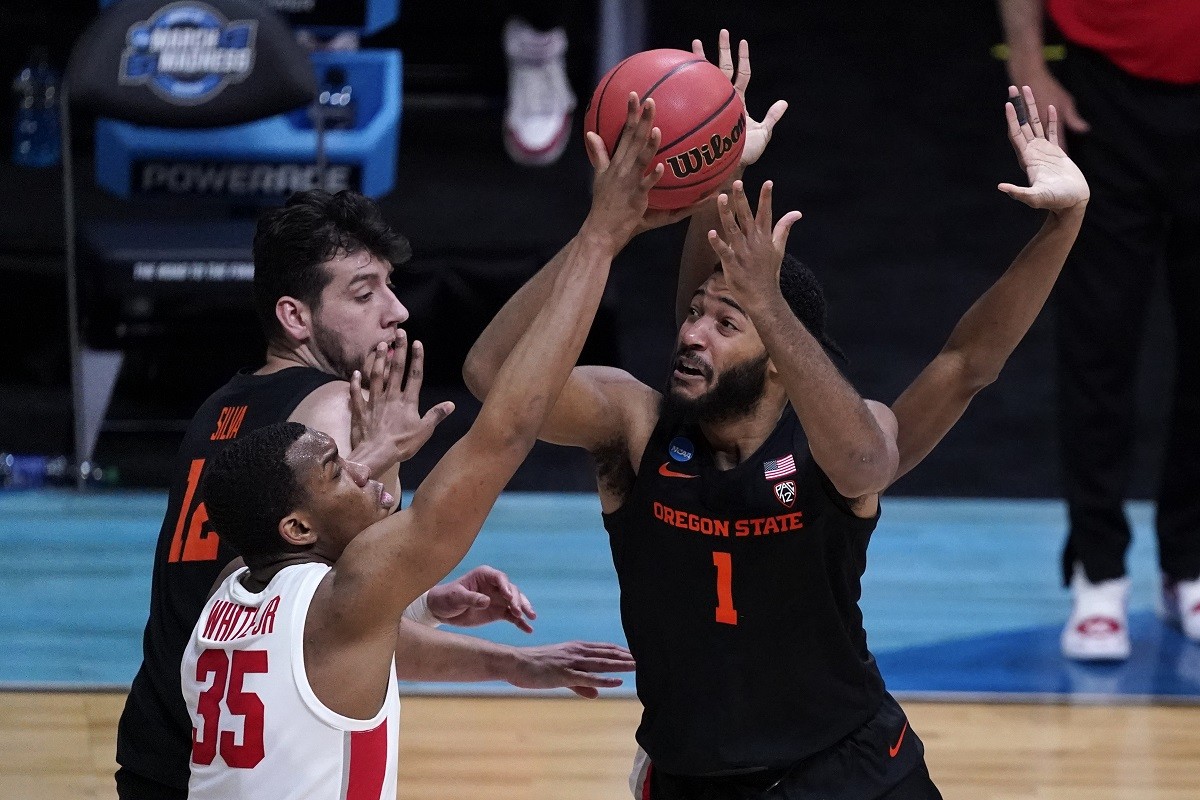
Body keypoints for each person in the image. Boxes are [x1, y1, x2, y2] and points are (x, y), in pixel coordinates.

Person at [463, 31, 1090, 799]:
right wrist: (619, 225)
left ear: (783, 361)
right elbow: (495, 375)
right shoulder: (634, 426)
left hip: (852, 773)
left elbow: (964, 368)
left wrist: (1064, 224)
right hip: (692, 779)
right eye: (694, 314)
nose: (692, 333)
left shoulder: (838, 442)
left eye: (726, 324)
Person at [180, 93, 662, 798]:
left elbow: (348, 638)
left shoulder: (225, 600)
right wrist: (598, 240)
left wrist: (453, 622)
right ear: (295, 525)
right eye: (339, 473)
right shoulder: (346, 593)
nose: (366, 480)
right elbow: (505, 430)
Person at [115, 190, 580, 798]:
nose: (397, 311)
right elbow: (354, 615)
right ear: (295, 317)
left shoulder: (217, 410)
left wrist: (428, 606)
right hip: (254, 766)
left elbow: (307, 616)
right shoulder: (335, 410)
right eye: (364, 294)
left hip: (165, 744)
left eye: (390, 286)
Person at [997, 0, 1200, 662]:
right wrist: (1028, 57)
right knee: (1099, 342)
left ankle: (1189, 568)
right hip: (1103, 93)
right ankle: (1099, 571)